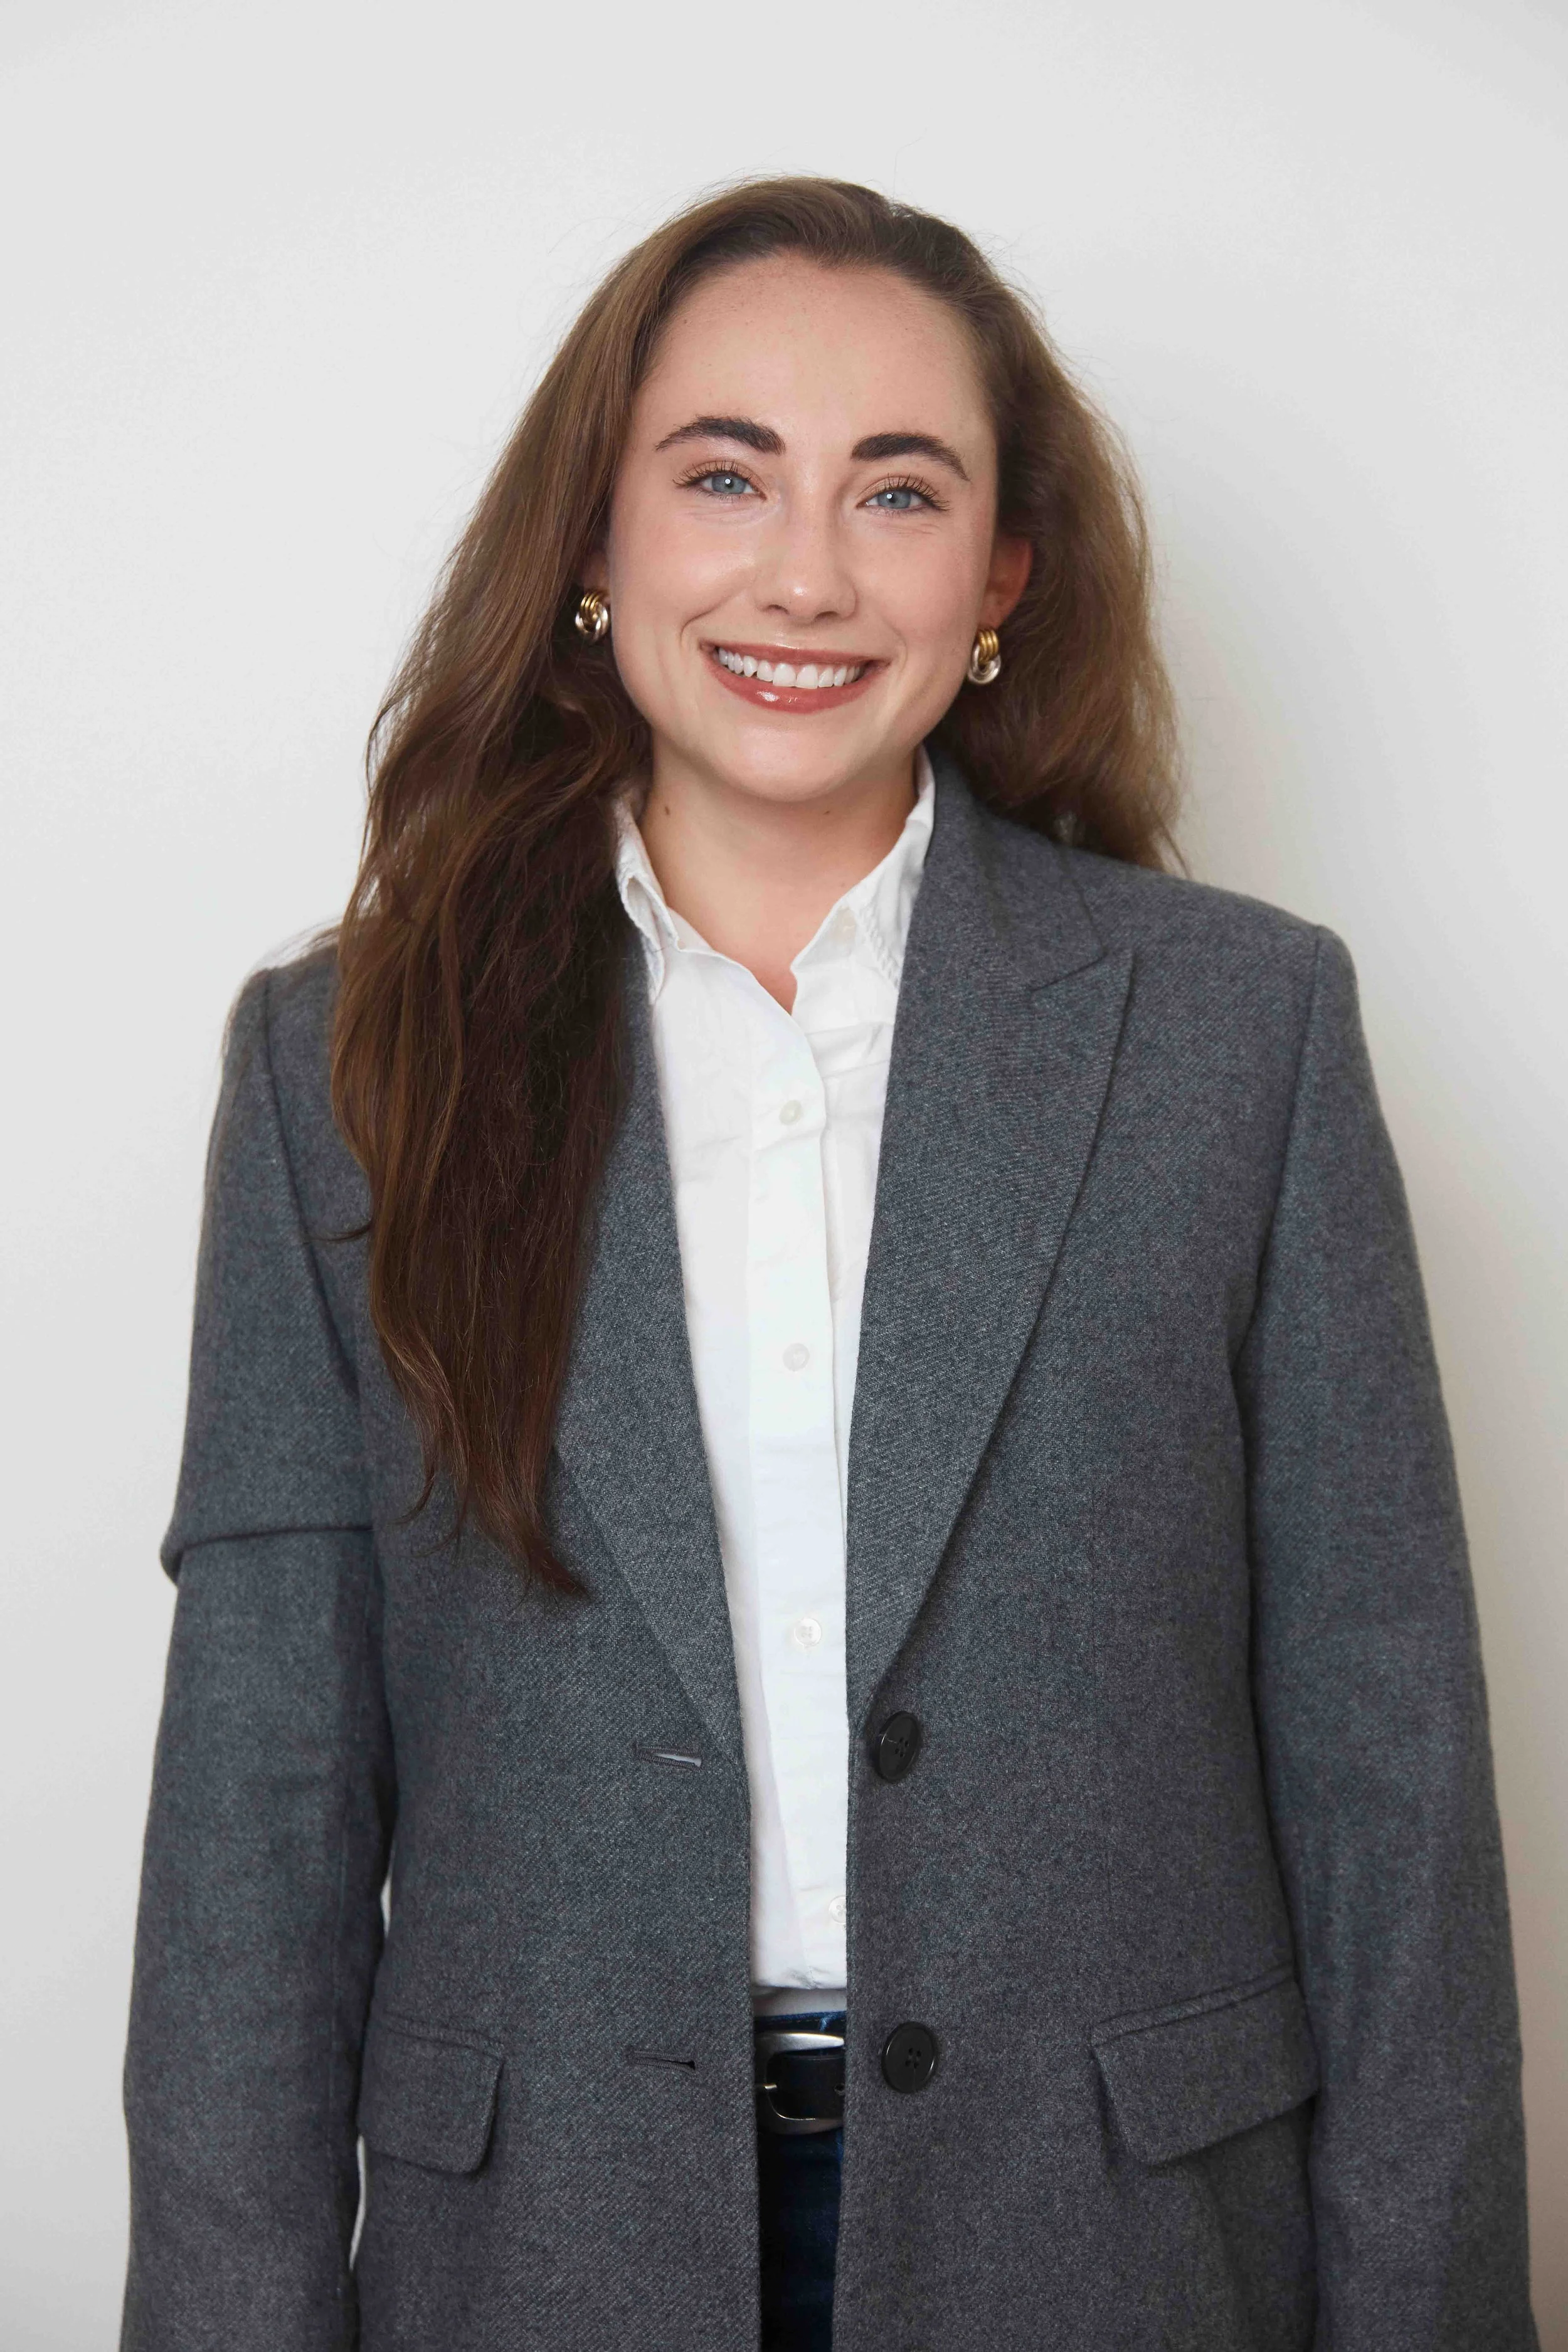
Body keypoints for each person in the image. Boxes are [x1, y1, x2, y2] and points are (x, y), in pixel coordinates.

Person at [119, 176, 1537, 2351]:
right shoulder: (344, 1063)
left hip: (1118, 2244)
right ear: (592, 549)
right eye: (720, 475)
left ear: (998, 577)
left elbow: (1387, 1780)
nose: (802, 569)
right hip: (545, 2257)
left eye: (899, 488)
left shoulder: (1236, 1034)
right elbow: (259, 1834)